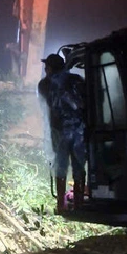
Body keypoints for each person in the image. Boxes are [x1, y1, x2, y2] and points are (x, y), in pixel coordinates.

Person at [37, 52, 87, 213]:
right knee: (79, 166)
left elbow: (45, 101)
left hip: (60, 132)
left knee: (60, 166)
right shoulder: (77, 80)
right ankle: (79, 204)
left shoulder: (44, 84)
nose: (45, 70)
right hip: (79, 130)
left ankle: (61, 204)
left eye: (47, 67)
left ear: (50, 68)